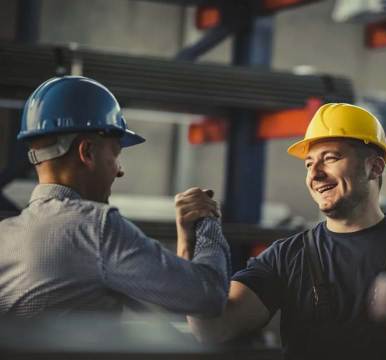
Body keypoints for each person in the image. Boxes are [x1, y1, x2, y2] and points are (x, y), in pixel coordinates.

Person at [184, 103, 386, 359]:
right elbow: (212, 328)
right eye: (309, 164)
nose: (315, 174)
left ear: (375, 167)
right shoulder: (285, 258)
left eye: (330, 158)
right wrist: (190, 243)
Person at [0, 76, 230, 317]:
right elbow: (209, 295)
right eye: (115, 154)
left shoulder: (5, 236)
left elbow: (172, 302)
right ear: (87, 151)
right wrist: (207, 220)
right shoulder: (95, 228)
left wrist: (186, 241)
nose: (120, 170)